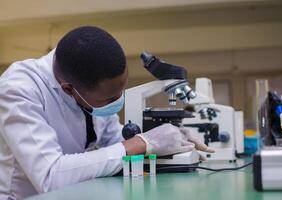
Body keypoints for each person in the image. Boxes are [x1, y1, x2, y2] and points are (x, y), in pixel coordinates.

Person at [0, 26, 213, 200]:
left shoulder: (89, 74)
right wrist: (141, 143)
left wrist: (166, 138)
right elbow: (50, 176)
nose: (118, 101)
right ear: (68, 89)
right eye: (110, 99)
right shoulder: (19, 89)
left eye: (121, 92)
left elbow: (114, 141)